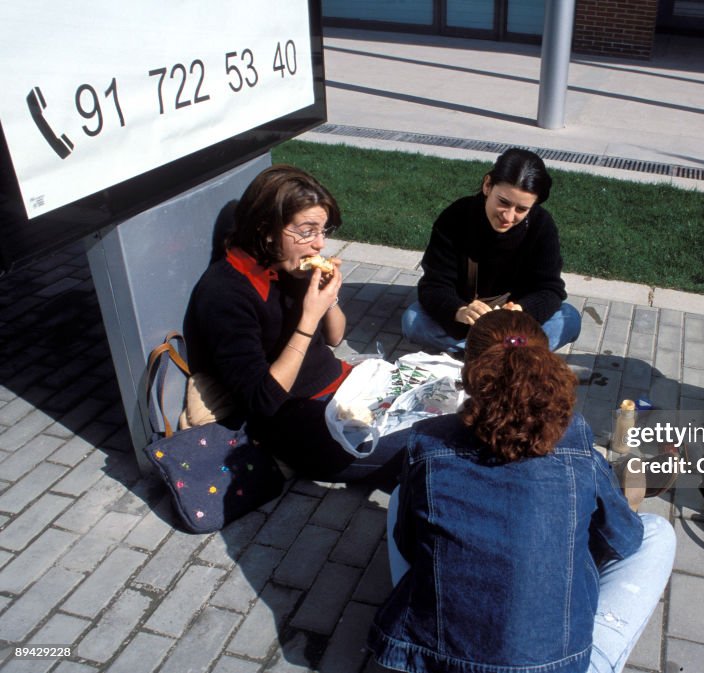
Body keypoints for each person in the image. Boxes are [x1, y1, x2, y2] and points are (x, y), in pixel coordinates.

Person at [368, 310, 675, 673]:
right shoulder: (575, 439)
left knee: (407, 491)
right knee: (656, 533)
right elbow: (623, 538)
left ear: (469, 371)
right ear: (544, 365)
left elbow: (408, 544)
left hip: (434, 661)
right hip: (557, 665)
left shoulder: (428, 441)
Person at [183, 164, 402, 485]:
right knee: (422, 447)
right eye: (306, 230)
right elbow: (262, 400)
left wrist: (330, 297)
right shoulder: (224, 293)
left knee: (447, 408)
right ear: (266, 228)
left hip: (345, 388)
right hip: (301, 424)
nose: (319, 245)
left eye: (323, 231)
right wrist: (308, 317)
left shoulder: (287, 264)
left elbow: (334, 336)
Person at [401, 148, 582, 354]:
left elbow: (551, 289)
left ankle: (478, 353)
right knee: (413, 322)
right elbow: (434, 284)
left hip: (513, 321)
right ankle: (510, 353)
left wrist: (522, 311)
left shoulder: (542, 225)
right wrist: (459, 310)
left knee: (569, 319)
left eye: (521, 209)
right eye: (503, 202)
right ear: (487, 185)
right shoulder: (455, 217)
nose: (508, 216)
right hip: (469, 316)